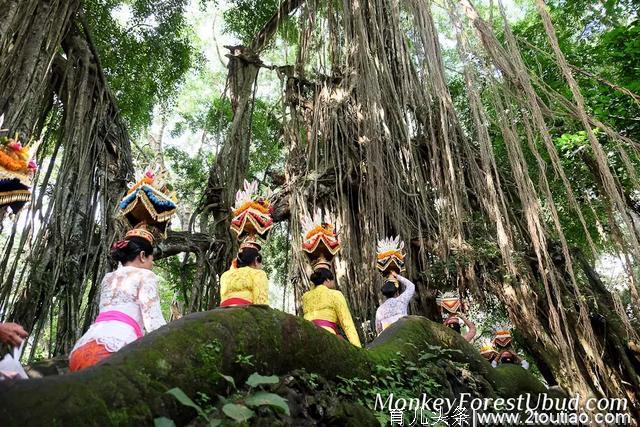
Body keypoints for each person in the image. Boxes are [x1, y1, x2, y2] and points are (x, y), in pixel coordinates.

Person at [68, 228, 166, 372]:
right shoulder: (146, 275)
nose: (152, 264)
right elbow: (153, 322)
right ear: (143, 255)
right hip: (117, 346)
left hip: (84, 346)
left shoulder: (108, 278)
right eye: (152, 259)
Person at [303, 262, 362, 347]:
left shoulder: (305, 297)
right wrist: (357, 348)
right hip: (327, 335)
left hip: (306, 336)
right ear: (327, 280)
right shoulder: (335, 294)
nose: (334, 283)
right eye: (332, 280)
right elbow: (347, 323)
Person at [219, 240, 269, 307]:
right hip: (245, 312)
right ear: (256, 260)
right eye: (261, 262)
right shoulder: (258, 273)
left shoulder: (225, 275)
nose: (261, 266)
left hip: (222, 312)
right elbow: (261, 303)